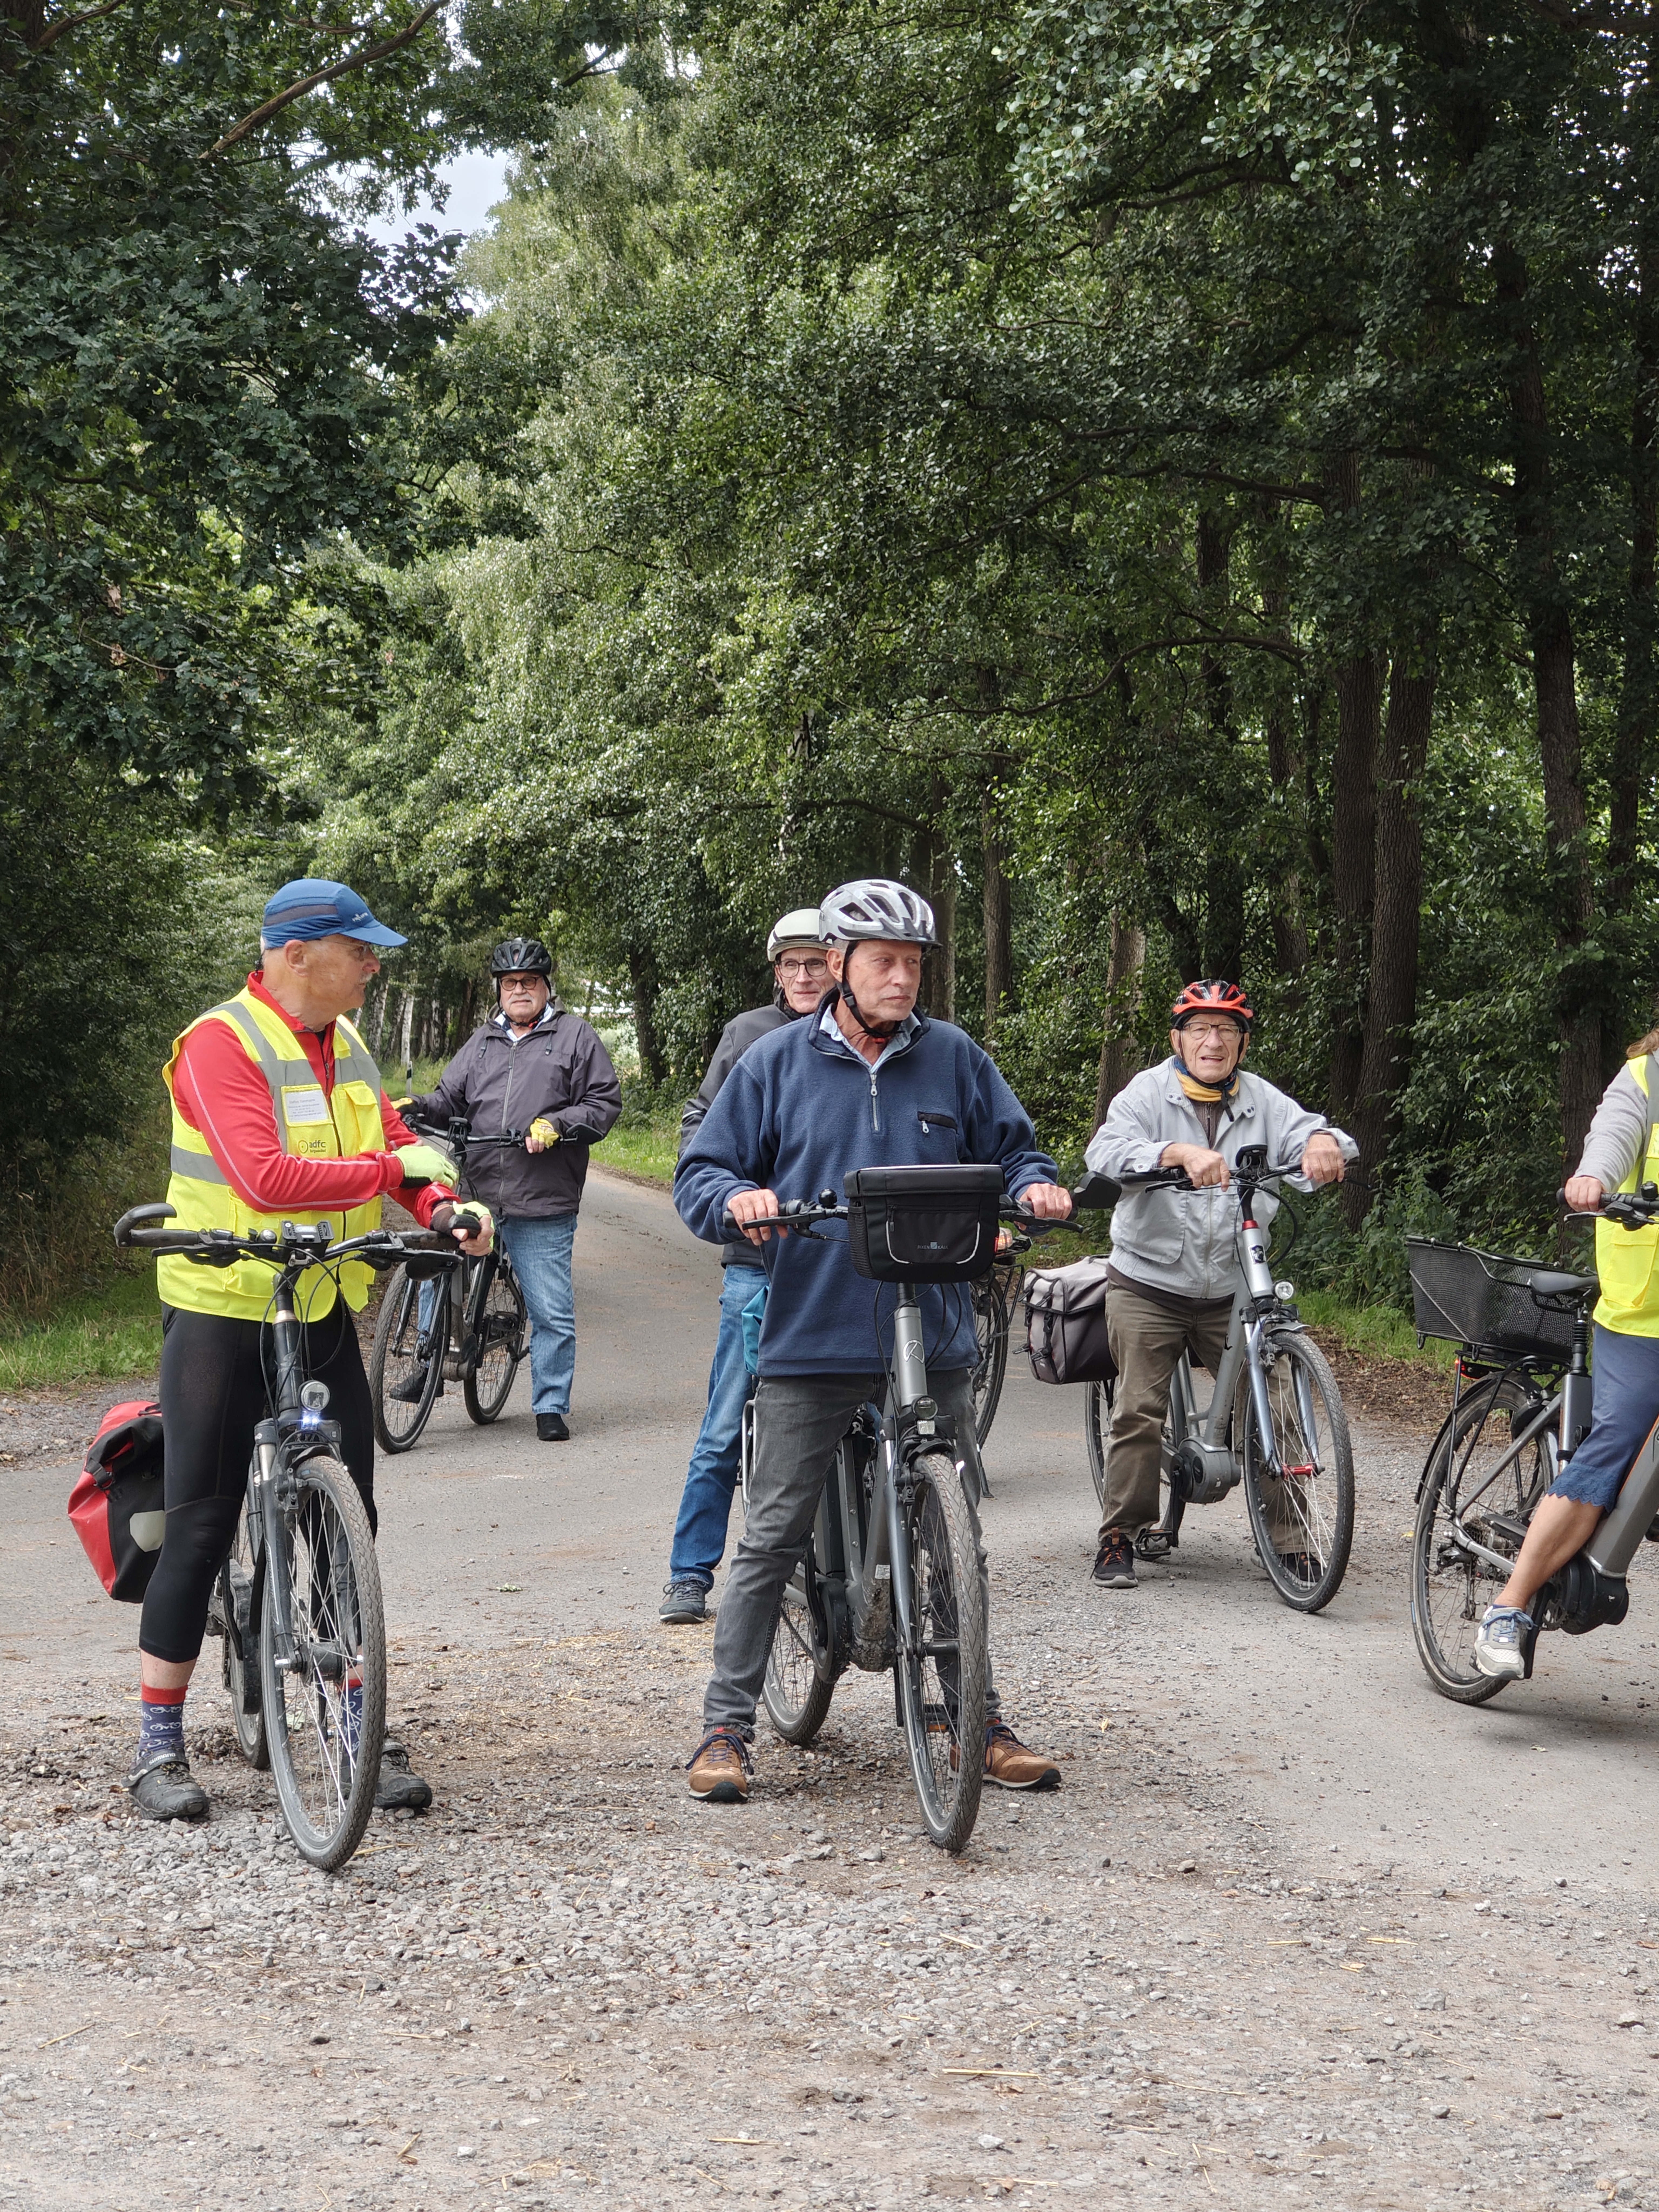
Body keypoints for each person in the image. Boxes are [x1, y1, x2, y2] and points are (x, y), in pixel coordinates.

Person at [673, 877, 1072, 1805]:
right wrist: (739, 1200)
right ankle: (726, 1726)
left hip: (931, 1331)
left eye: (914, 964)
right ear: (842, 968)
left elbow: (1019, 1153)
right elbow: (703, 1169)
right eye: (885, 962)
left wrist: (1038, 1190)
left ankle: (968, 1715)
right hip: (812, 1330)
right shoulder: (774, 1062)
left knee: (951, 1529)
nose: (902, 979)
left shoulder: (954, 1059)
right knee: (771, 1531)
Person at [129, 879, 493, 1822]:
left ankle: (355, 1716)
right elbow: (263, 1175)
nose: (374, 962)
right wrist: (391, 1172)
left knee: (350, 1520)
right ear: (298, 953)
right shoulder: (220, 1044)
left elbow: (400, 1140)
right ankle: (157, 1746)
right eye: (359, 948)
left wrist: (440, 1206)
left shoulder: (352, 1047)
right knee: (203, 1526)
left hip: (322, 1299)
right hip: (224, 1307)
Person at [1083, 980, 1355, 1590]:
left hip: (1234, 1287)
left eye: (1227, 1030)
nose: (1214, 1041)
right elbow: (1103, 1152)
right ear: (1178, 1038)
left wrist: (1321, 1145)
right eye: (1201, 1029)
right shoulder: (1148, 1092)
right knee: (1139, 1410)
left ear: (1242, 1042)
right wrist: (1176, 1153)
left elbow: (1326, 1135)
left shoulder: (1263, 1100)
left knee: (1277, 1397)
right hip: (1150, 1280)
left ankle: (1291, 1541)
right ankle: (1119, 1537)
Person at [659, 909, 832, 1625]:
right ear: (775, 972)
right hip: (761, 1261)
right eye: (790, 965)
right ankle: (690, 1573)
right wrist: (736, 1194)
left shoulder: (876, 1043)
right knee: (727, 1421)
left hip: (849, 1264)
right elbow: (700, 1127)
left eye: (815, 964)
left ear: (839, 966)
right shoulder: (748, 1035)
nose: (802, 977)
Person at [1474, 1028, 1659, 1677]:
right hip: (1643, 1319)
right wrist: (1593, 1179)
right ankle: (1511, 1605)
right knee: (1620, 1437)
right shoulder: (1644, 1081)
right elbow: (1610, 1140)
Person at [405, 938, 621, 1442]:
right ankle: (426, 1361)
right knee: (436, 1271)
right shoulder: (481, 1042)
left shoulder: (575, 1037)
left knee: (551, 1311)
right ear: (499, 992)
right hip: (478, 1187)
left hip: (541, 1199)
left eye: (529, 983)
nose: (520, 991)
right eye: (510, 984)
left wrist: (559, 1124)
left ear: (547, 988)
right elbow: (448, 1098)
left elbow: (604, 1103)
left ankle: (549, 1404)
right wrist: (417, 1106)